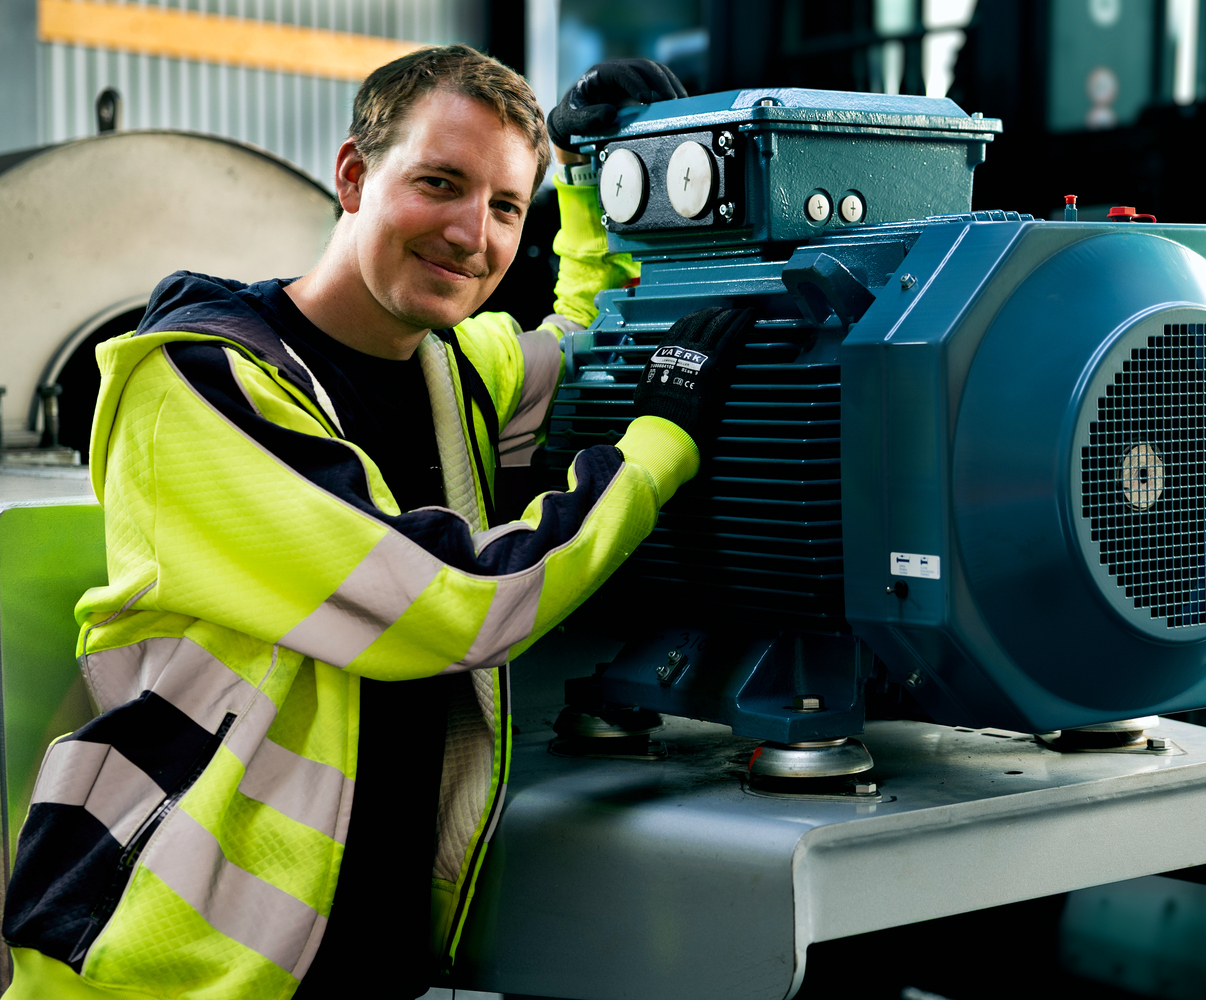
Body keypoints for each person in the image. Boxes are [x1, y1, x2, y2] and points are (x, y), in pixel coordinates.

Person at [0, 45, 750, 1000]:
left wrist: (603, 172)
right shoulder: (196, 384)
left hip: (367, 953)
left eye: (506, 207)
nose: (471, 235)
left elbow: (591, 339)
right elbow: (450, 599)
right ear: (354, 175)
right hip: (166, 965)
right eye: (439, 183)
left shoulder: (451, 373)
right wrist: (657, 451)